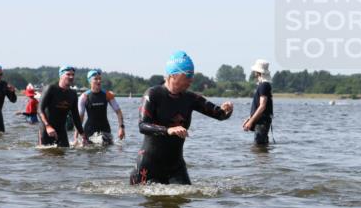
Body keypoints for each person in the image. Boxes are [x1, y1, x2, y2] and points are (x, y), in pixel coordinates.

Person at [129, 51, 234, 185]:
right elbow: (142, 126)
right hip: (149, 166)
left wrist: (227, 110)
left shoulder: (190, 98)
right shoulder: (153, 94)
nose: (191, 79)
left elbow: (220, 115)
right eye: (188, 75)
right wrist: (168, 130)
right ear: (173, 75)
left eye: (192, 75)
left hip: (175, 166)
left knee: (186, 197)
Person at [39, 66, 87, 148]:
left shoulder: (73, 94)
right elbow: (39, 110)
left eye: (73, 75)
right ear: (61, 75)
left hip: (61, 130)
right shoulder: (50, 89)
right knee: (46, 156)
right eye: (68, 74)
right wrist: (48, 126)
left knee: (65, 156)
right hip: (47, 129)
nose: (71, 77)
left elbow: (75, 116)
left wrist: (82, 134)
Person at [77, 69, 125, 145]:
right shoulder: (84, 97)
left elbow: (118, 112)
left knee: (105, 151)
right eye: (95, 79)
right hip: (89, 130)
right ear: (90, 81)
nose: (98, 81)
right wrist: (77, 135)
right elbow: (80, 117)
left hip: (105, 130)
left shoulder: (107, 94)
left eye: (99, 79)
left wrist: (121, 128)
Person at [242, 59, 274, 145]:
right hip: (261, 121)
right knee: (261, 149)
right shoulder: (263, 85)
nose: (254, 72)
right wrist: (249, 119)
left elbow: (262, 106)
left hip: (262, 122)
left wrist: (251, 121)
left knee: (259, 147)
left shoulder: (264, 85)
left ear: (258, 71)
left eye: (255, 70)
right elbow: (258, 105)